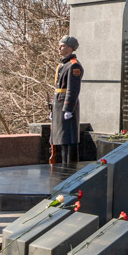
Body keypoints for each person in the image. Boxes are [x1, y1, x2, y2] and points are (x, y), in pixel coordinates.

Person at [51, 35, 83, 167]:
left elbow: (73, 90)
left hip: (66, 106)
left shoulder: (74, 66)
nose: (59, 47)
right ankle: (64, 166)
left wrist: (68, 109)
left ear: (70, 48)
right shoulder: (63, 65)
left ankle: (70, 168)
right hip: (59, 105)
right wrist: (53, 108)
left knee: (69, 139)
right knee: (62, 139)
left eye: (62, 45)